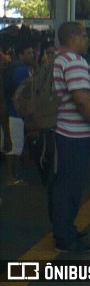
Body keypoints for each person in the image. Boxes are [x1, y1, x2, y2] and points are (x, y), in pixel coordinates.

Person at [51, 21, 90, 253]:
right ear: (73, 38)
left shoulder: (58, 60)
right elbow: (83, 101)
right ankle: (65, 238)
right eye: (84, 36)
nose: (87, 40)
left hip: (66, 133)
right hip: (74, 135)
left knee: (64, 185)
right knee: (70, 187)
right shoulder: (73, 62)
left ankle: (65, 229)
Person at [4, 44, 36, 186]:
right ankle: (10, 177)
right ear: (21, 55)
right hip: (14, 113)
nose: (32, 55)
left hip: (13, 112)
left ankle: (13, 174)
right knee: (12, 146)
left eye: (32, 52)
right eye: (28, 53)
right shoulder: (22, 70)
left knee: (15, 144)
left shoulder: (16, 68)